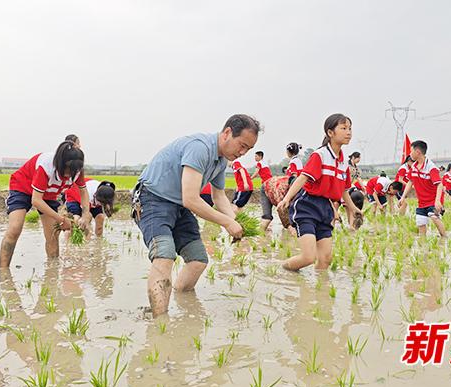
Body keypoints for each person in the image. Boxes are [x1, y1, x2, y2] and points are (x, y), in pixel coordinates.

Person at [133, 114, 260, 317]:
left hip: (177, 205)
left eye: (248, 149)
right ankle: (160, 323)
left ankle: (180, 304)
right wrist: (227, 222)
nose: (243, 152)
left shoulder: (221, 160)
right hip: (152, 199)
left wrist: (236, 222)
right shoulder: (200, 148)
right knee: (164, 253)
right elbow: (191, 199)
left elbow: (218, 196)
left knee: (198, 260)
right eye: (242, 145)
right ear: (227, 133)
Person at [277, 113, 362, 271]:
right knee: (309, 257)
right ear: (330, 133)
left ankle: (320, 292)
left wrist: (353, 208)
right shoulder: (320, 155)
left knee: (325, 259)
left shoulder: (344, 163)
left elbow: (344, 190)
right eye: (343, 128)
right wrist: (286, 199)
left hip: (326, 208)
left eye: (350, 128)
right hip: (307, 206)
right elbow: (302, 178)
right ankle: (284, 271)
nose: (349, 132)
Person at [0, 141, 90, 267]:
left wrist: (85, 215)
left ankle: (52, 273)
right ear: (60, 163)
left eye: (73, 172)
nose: (69, 175)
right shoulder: (46, 167)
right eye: (67, 170)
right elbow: (36, 200)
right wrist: (62, 220)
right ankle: (3, 273)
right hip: (22, 187)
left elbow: (83, 191)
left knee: (53, 235)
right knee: (15, 229)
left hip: (48, 193)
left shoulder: (77, 170)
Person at [398, 140, 446, 237]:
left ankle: (445, 238)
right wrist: (403, 197)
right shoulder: (414, 166)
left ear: (417, 152)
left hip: (433, 200)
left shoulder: (431, 168)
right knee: (421, 223)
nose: (409, 154)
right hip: (422, 201)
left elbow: (439, 184)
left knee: (435, 217)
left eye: (411, 151)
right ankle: (423, 247)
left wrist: (437, 201)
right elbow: (410, 182)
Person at [250, 151, 274, 231]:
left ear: (260, 156)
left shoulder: (259, 163)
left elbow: (256, 173)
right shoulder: (265, 164)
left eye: (256, 156)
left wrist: (249, 179)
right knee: (270, 203)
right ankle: (269, 224)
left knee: (265, 204)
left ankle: (265, 223)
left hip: (266, 184)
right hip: (271, 183)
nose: (255, 158)